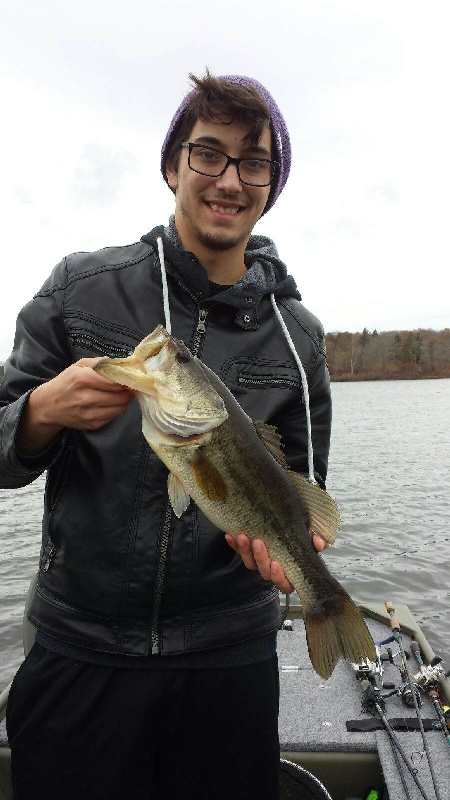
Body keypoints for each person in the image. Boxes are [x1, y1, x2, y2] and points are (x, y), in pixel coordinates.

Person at [0, 71, 332, 800]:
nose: (229, 180)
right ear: (173, 163)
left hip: (228, 660)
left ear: (272, 182)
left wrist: (292, 561)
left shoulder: (299, 339)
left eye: (254, 162)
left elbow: (307, 492)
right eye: (208, 153)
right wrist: (39, 414)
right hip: (80, 647)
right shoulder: (80, 289)